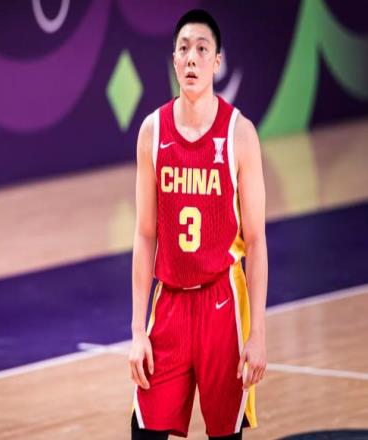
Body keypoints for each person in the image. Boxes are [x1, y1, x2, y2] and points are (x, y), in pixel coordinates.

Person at [128, 9, 268, 439]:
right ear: (174, 59)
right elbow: (145, 234)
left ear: (217, 61)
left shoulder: (240, 135)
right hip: (169, 304)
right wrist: (137, 330)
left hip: (222, 306)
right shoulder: (152, 132)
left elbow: (256, 241)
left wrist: (258, 334)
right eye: (184, 49)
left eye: (202, 49)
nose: (192, 58)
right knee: (144, 430)